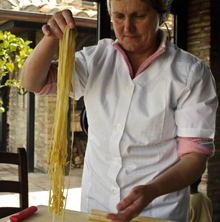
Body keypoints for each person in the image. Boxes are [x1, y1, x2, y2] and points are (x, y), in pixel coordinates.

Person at [20, 0, 218, 221]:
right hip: (96, 206)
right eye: (119, 17)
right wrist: (51, 38)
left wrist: (152, 190)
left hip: (158, 210)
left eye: (139, 16)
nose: (127, 28)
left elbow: (194, 157)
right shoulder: (95, 59)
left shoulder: (190, 73)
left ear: (161, 15)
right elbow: (32, 82)